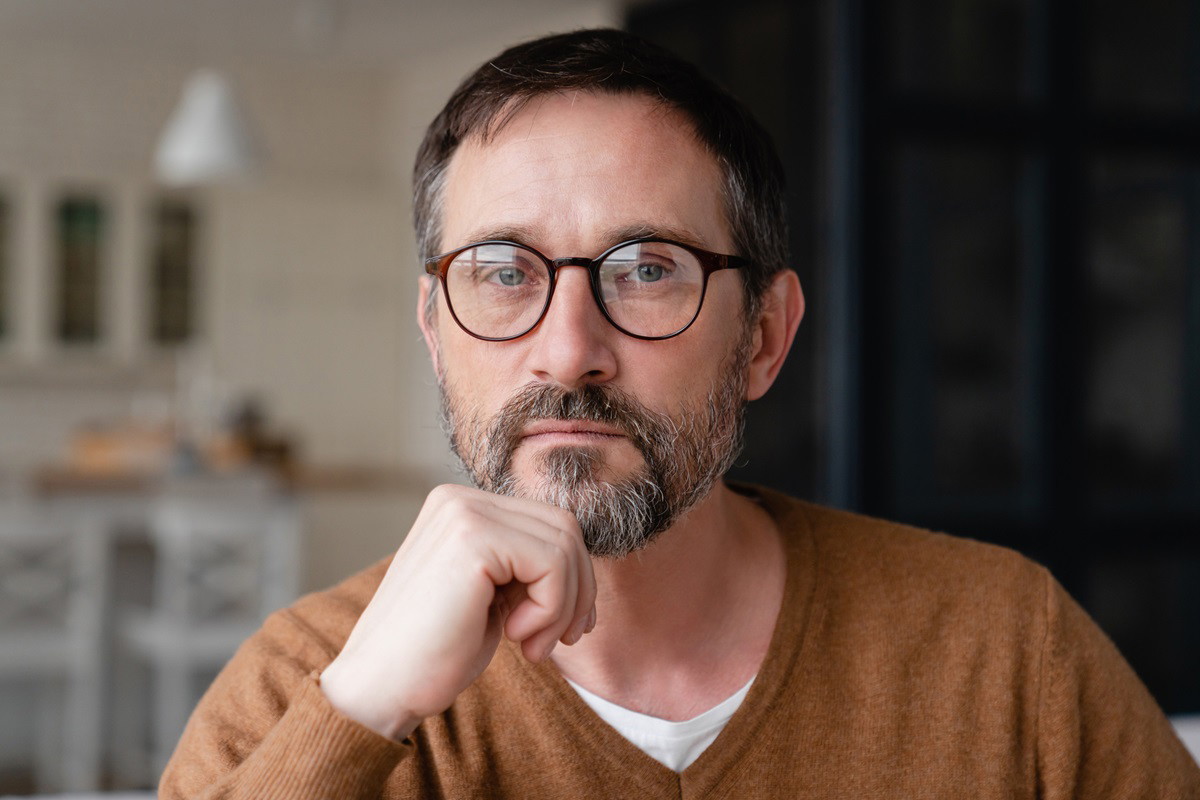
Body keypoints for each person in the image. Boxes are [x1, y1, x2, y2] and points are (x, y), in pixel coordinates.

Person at [160, 28, 1200, 799]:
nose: (568, 348)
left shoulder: (1009, 651)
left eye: (648, 268)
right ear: (436, 329)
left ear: (764, 337)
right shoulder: (308, 685)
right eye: (503, 271)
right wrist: (361, 716)